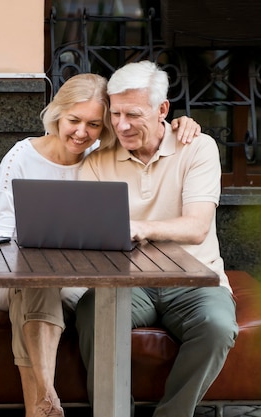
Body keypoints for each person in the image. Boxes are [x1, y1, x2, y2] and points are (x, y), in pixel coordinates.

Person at [0, 73, 202, 417]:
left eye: (94, 124)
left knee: (49, 287)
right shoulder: (20, 157)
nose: (82, 132)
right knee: (37, 284)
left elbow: (147, 130)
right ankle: (43, 397)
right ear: (57, 114)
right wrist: (38, 264)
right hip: (12, 280)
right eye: (74, 120)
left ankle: (42, 404)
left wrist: (181, 124)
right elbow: (0, 235)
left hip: (76, 280)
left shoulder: (102, 156)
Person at [74, 61, 239, 417]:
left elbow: (196, 227)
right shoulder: (97, 163)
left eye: (133, 114)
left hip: (194, 279)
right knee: (91, 312)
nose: (121, 124)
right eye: (115, 113)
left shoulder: (197, 148)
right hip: (127, 281)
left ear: (163, 109)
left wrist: (139, 228)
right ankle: (115, 411)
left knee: (218, 326)